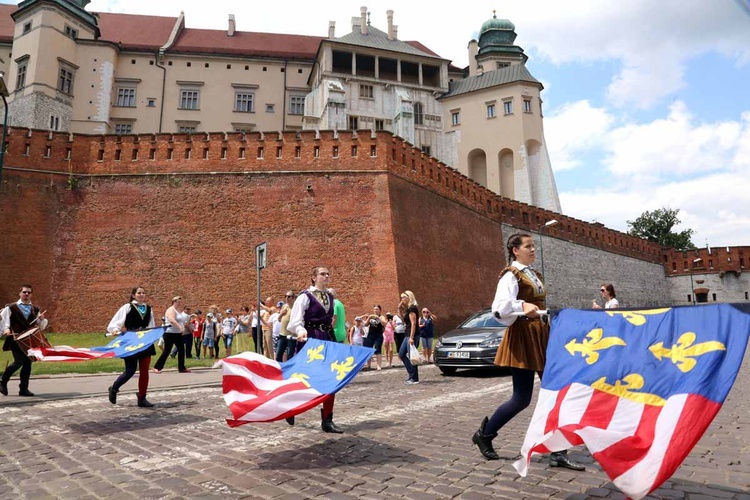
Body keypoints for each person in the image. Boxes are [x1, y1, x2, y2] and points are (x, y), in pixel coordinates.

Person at [472, 233, 585, 471]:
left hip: (541, 336)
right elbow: (500, 307)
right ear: (515, 250)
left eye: (534, 246)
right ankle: (485, 434)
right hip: (523, 337)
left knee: (556, 393)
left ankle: (557, 451)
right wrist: (522, 306)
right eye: (528, 246)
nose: (533, 250)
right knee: (521, 398)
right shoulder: (510, 275)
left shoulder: (533, 274)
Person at [287, 266, 342, 433]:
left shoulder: (331, 297)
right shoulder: (305, 297)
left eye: (328, 274)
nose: (326, 276)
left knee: (331, 378)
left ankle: (327, 419)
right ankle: (291, 407)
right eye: (322, 274)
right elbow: (295, 321)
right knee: (306, 377)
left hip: (327, 338)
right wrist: (300, 330)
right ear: (313, 277)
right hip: (310, 339)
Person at [106, 286, 156, 407]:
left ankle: (142, 397)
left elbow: (151, 325)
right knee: (130, 370)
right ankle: (114, 388)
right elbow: (116, 322)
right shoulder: (127, 307)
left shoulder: (149, 309)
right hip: (131, 341)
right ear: (133, 295)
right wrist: (115, 330)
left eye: (143, 293)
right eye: (139, 293)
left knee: (144, 370)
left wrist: (153, 336)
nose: (141, 295)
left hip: (145, 341)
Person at [1, 285, 48, 397]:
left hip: (30, 340)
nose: (26, 294)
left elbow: (39, 326)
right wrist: (6, 329)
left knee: (28, 364)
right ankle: (3, 380)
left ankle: (24, 389)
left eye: (29, 292)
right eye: (24, 292)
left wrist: (41, 320)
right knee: (19, 361)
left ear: (31, 294)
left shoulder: (35, 309)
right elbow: (4, 320)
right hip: (16, 339)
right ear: (20, 293)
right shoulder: (10, 307)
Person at [153, 296, 191, 373]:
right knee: (167, 351)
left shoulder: (178, 311)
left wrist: (183, 326)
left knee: (181, 350)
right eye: (178, 302)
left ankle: (181, 368)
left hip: (178, 334)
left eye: (181, 302)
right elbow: (171, 319)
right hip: (169, 333)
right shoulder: (171, 310)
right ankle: (157, 367)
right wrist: (180, 327)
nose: (180, 303)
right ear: (174, 301)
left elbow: (182, 320)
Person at [397, 291, 421, 385]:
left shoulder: (412, 308)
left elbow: (414, 324)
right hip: (407, 334)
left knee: (412, 357)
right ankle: (412, 374)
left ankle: (414, 378)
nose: (402, 300)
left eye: (403, 298)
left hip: (412, 335)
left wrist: (411, 337)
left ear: (409, 298)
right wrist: (400, 310)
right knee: (401, 354)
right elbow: (404, 321)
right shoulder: (408, 309)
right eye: (401, 298)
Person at [363, 305, 386, 371]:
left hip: (378, 336)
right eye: (374, 309)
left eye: (377, 309)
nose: (375, 311)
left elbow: (385, 324)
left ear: (380, 310)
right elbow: (365, 325)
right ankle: (369, 365)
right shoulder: (371, 317)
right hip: (370, 335)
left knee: (377, 350)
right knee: (369, 350)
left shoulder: (381, 317)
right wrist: (369, 317)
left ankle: (378, 366)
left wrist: (378, 318)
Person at [275, 292, 296, 362]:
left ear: (293, 298)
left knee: (290, 355)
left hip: (291, 336)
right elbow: (279, 319)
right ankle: (279, 369)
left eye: (289, 296)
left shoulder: (296, 308)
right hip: (282, 334)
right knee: (278, 354)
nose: (286, 298)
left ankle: (289, 371)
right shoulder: (284, 306)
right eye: (285, 296)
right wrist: (281, 313)